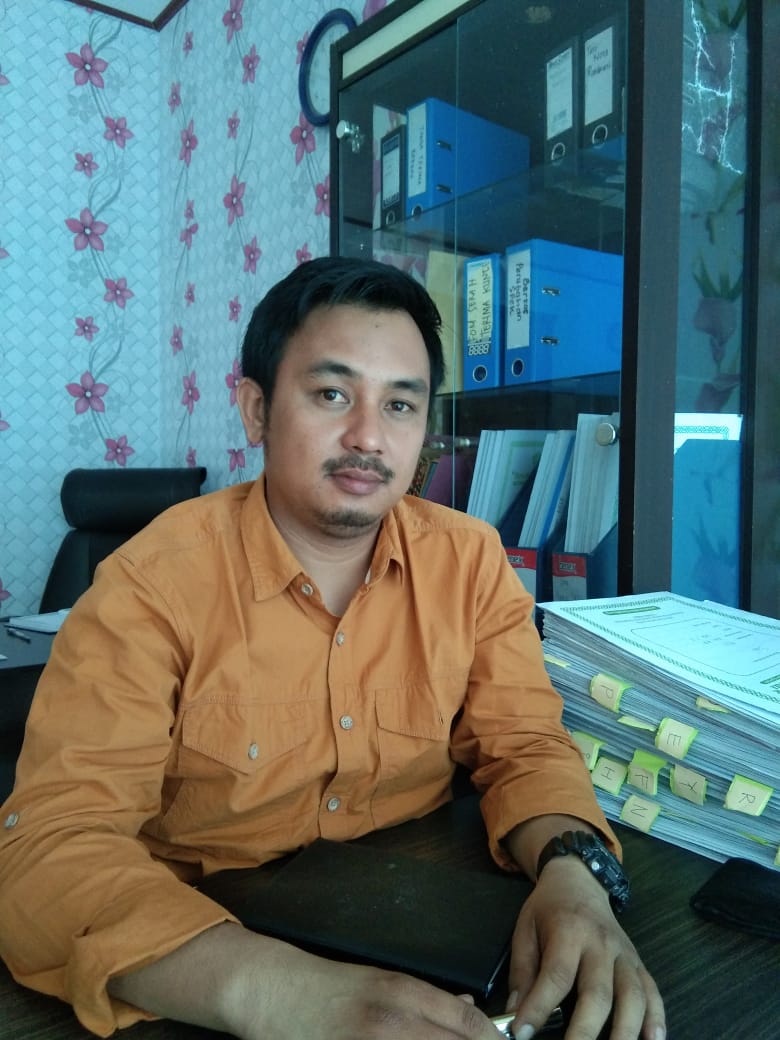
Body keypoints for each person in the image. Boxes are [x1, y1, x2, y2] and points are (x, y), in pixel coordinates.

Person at [0, 257, 665, 1040]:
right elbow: (48, 850)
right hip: (197, 957)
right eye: (332, 395)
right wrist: (278, 994)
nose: (369, 438)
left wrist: (575, 874)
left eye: (401, 405)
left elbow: (524, 745)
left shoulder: (470, 560)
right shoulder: (149, 586)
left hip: (419, 922)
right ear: (256, 410)